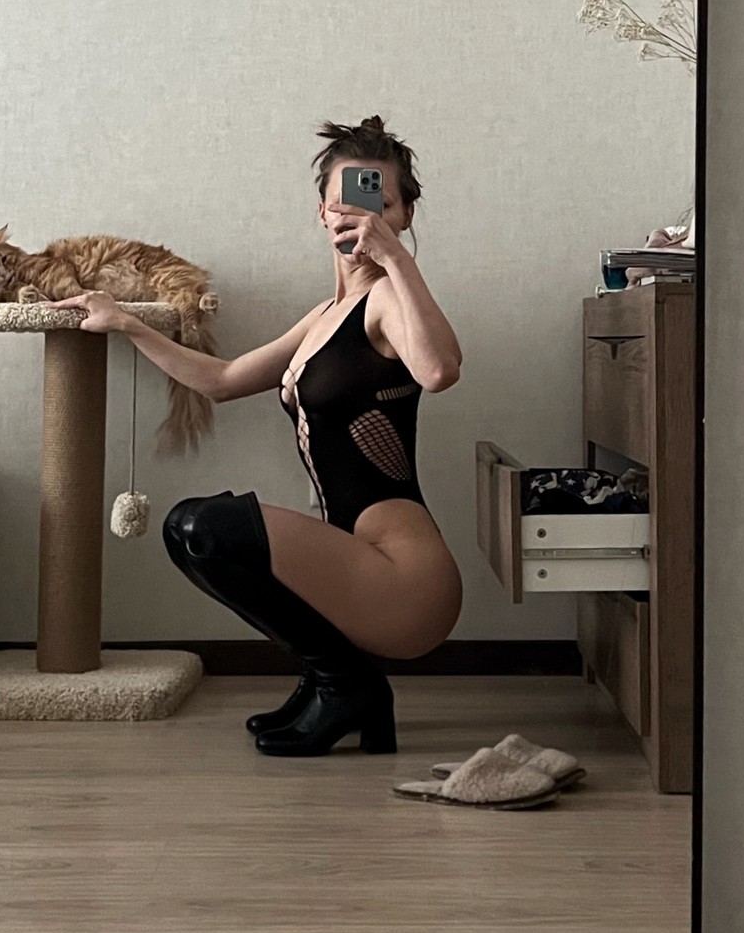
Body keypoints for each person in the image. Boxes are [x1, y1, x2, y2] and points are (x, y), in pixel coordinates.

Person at [46, 116, 463, 757]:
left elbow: (438, 371)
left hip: (406, 578)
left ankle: (344, 686)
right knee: (190, 534)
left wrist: (393, 258)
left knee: (208, 526)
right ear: (322, 214)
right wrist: (125, 322)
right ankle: (334, 683)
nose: (363, 216)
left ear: (405, 214)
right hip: (357, 560)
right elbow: (221, 380)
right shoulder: (324, 316)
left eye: (382, 203)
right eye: (347, 201)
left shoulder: (385, 300)